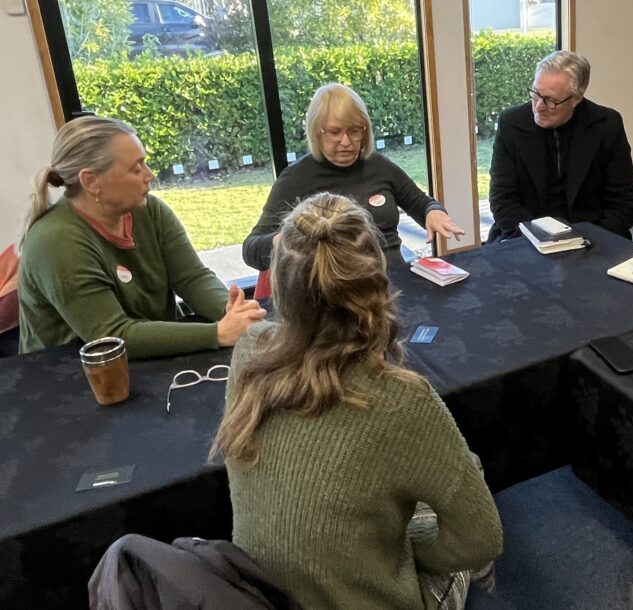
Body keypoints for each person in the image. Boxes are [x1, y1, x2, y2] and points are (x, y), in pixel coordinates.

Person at [212, 193, 502, 610]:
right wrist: (412, 555)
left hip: (266, 596)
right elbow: (482, 538)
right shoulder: (402, 397)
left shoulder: (250, 348)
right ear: (377, 278)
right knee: (468, 472)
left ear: (279, 281)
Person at [18, 116, 265, 359]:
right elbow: (113, 335)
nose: (150, 175)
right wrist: (218, 333)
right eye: (136, 168)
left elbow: (191, 277)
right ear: (91, 181)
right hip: (66, 379)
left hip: (148, 360)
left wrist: (231, 311)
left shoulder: (149, 210)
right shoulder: (55, 241)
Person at [242, 83, 463, 295]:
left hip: (394, 285)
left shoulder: (379, 166)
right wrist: (283, 240)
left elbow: (421, 203)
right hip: (332, 298)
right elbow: (251, 250)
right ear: (316, 133)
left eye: (355, 131)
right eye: (335, 132)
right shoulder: (295, 179)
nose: (346, 141)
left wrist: (433, 211)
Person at [487, 50, 633, 242]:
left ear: (576, 98)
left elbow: (623, 201)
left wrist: (589, 242)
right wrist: (540, 242)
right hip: (524, 235)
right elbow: (503, 200)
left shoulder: (607, 125)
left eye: (550, 100)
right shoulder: (512, 123)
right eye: (535, 93)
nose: (539, 106)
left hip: (593, 236)